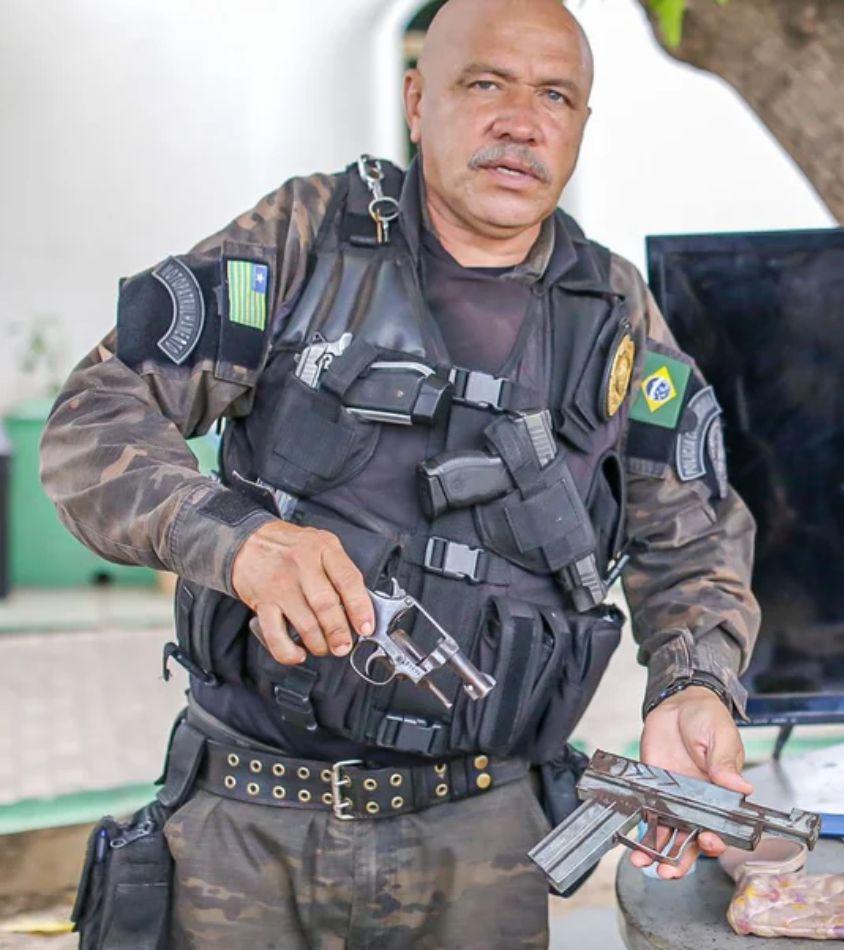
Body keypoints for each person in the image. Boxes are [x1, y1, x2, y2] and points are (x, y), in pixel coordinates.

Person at [40, 0, 759, 945]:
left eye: (556, 95)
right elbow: (94, 420)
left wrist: (694, 684)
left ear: (581, 125)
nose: (520, 120)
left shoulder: (612, 309)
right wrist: (237, 542)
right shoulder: (307, 238)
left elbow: (695, 538)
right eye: (485, 84)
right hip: (250, 824)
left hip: (484, 843)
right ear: (418, 102)